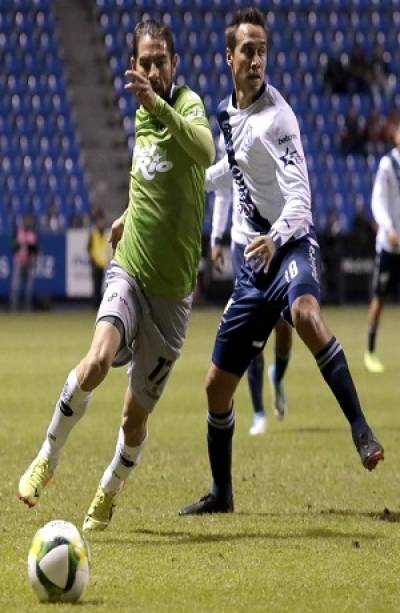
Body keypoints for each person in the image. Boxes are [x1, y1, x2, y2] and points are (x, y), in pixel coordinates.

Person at [179, 8, 384, 516]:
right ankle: (223, 495)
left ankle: (361, 430)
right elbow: (234, 169)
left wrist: (274, 238)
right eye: (247, 50)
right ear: (229, 57)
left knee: (306, 316)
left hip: (290, 245)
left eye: (262, 50)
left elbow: (301, 200)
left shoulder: (280, 117)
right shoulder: (227, 117)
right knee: (214, 387)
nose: (255, 58)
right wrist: (193, 177)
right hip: (253, 266)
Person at [18, 19, 215, 531]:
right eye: (144, 62)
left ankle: (109, 486)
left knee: (134, 418)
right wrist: (130, 212)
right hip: (130, 268)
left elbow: (204, 150)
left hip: (173, 295)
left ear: (174, 64)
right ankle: (47, 457)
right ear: (135, 65)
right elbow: (148, 176)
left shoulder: (184, 106)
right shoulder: (142, 115)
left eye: (160, 61)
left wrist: (159, 105)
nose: (151, 69)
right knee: (98, 360)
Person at [211, 136, 291, 435]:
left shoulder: (274, 123)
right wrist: (216, 237)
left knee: (284, 326)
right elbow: (223, 189)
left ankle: (278, 376)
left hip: (276, 240)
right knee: (251, 331)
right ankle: (259, 412)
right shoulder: (227, 132)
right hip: (243, 243)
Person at [364, 120, 400, 373]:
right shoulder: (389, 165)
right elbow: (377, 200)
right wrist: (388, 229)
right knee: (379, 298)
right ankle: (370, 350)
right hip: (389, 246)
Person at [9, 213, 39, 311]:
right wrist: (19, 244)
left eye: (29, 221)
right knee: (15, 285)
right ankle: (14, 307)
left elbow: (36, 250)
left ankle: (27, 307)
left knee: (29, 287)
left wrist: (33, 259)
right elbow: (13, 247)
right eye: (26, 220)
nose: (27, 223)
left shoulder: (33, 233)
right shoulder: (18, 232)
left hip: (29, 262)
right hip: (18, 261)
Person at [87, 210, 109, 308]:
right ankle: (95, 305)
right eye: (99, 221)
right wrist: (92, 259)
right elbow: (89, 248)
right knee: (96, 285)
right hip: (95, 264)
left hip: (103, 263)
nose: (101, 223)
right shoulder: (93, 233)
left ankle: (100, 305)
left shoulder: (106, 233)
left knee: (102, 286)